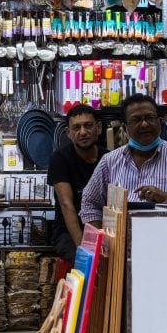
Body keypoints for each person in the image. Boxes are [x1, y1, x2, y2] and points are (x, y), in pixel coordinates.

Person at [79, 94, 167, 227]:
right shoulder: (109, 161)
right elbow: (90, 203)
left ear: (160, 122)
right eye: (136, 120)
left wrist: (166, 197)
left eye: (149, 118)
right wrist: (101, 241)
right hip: (121, 245)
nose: (144, 124)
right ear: (125, 128)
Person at [47, 104, 109, 260]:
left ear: (99, 128)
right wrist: (84, 250)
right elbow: (67, 205)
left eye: (88, 126)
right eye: (76, 128)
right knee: (82, 262)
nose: (83, 132)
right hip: (69, 231)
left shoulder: (109, 159)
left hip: (103, 228)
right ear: (68, 133)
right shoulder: (60, 159)